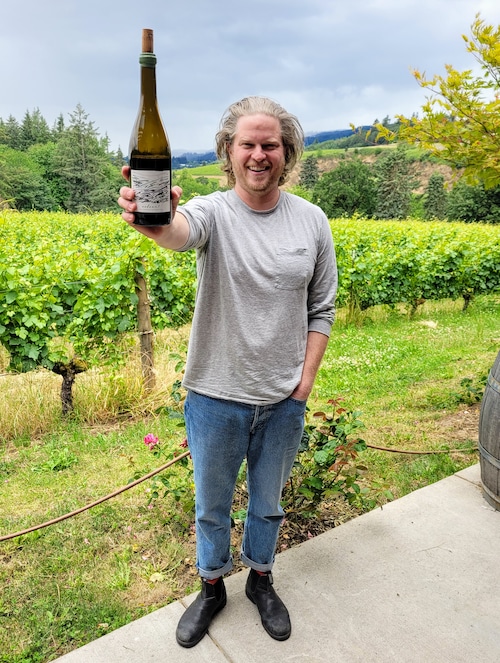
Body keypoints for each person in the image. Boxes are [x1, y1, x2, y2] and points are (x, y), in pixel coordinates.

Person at [118, 96, 337, 648]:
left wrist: (303, 382)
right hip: (215, 397)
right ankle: (212, 586)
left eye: (270, 145)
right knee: (211, 506)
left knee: (269, 502)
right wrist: (153, 217)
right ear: (228, 151)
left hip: (283, 400)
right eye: (248, 144)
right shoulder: (213, 211)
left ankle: (260, 579)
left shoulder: (312, 221)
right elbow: (176, 231)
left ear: (287, 153)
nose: (259, 155)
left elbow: (321, 309)